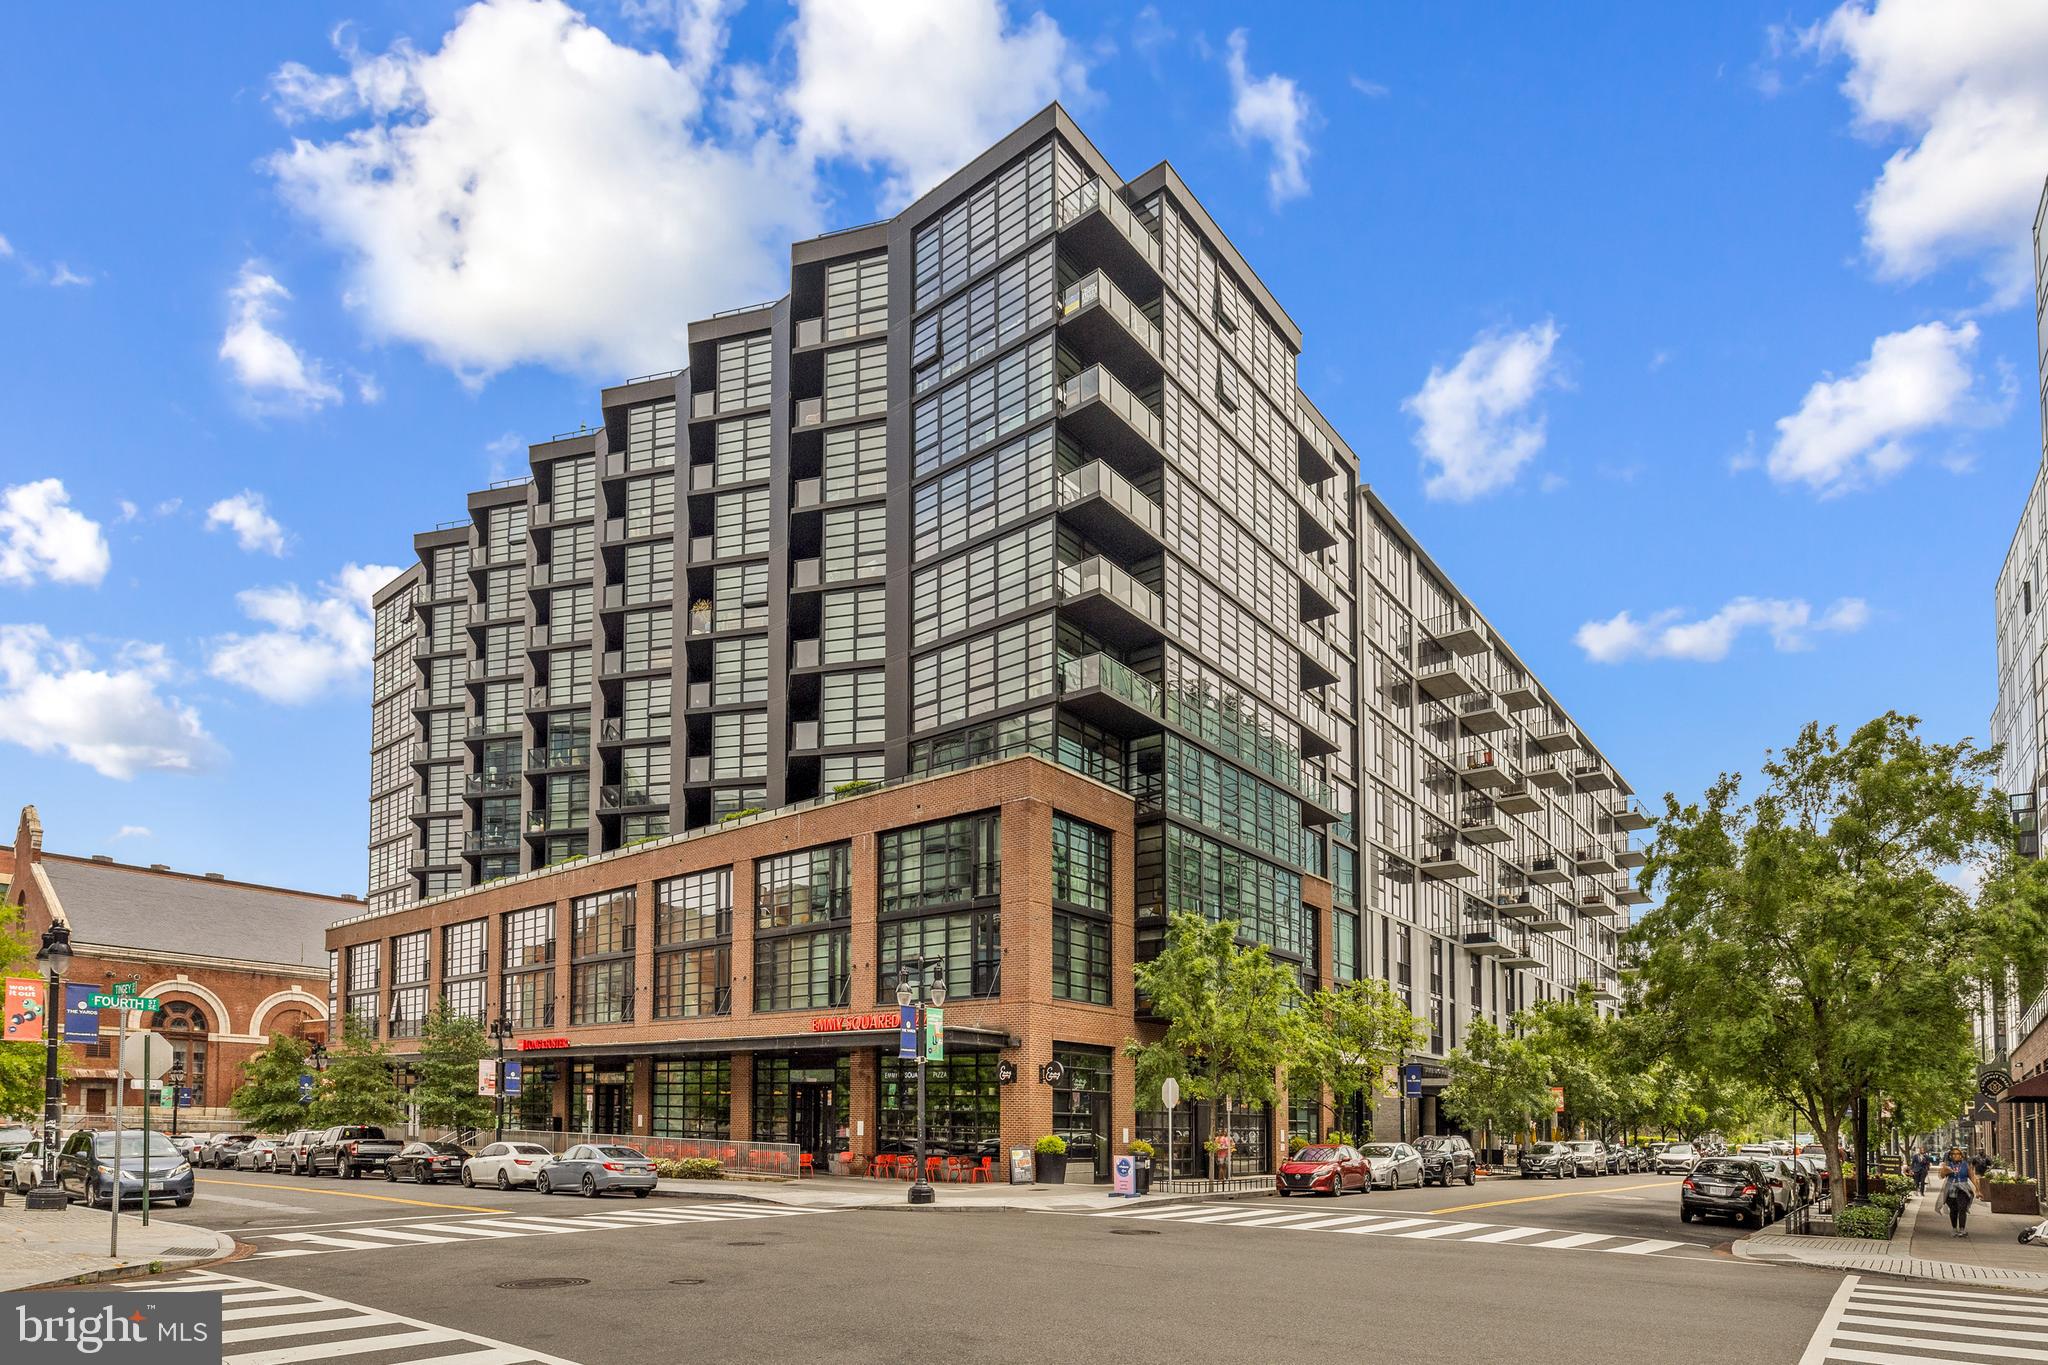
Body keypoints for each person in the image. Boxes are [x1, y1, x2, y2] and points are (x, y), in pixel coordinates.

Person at [1940, 1148, 1979, 1238]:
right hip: (1951, 1189)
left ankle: (1962, 1229)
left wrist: (1978, 1190)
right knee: (1953, 1210)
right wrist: (1945, 1170)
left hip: (1963, 1188)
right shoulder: (1948, 1165)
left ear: (1961, 1156)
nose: (1955, 1155)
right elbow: (1941, 1176)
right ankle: (1954, 1228)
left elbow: (1972, 1177)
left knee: (1962, 1208)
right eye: (1953, 1154)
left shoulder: (1966, 1165)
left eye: (1957, 1154)